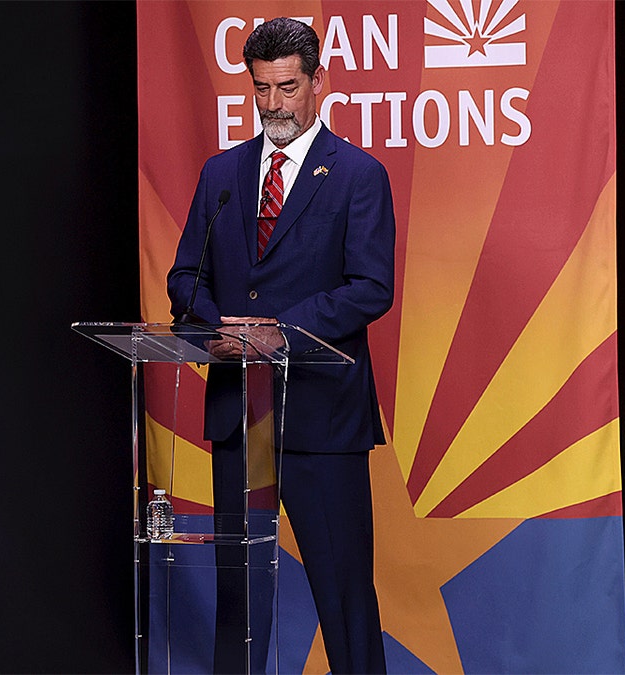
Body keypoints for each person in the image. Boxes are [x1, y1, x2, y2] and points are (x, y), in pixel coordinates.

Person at [167, 17, 393, 674]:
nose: (273, 105)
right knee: (239, 598)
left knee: (346, 597)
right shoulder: (222, 174)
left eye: (287, 88)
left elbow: (370, 288)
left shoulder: (358, 175)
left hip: (322, 418)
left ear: (319, 81)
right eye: (262, 89)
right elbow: (185, 274)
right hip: (241, 415)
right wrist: (225, 327)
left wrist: (280, 333)